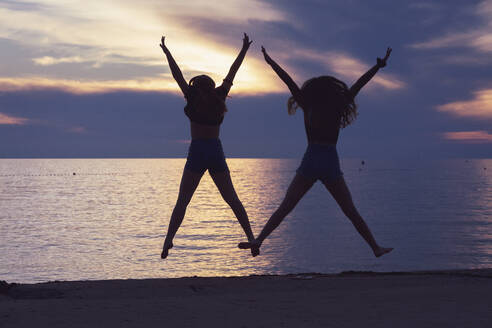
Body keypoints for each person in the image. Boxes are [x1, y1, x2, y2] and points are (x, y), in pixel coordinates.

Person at [239, 46, 394, 258]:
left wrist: (270, 61)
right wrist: (378, 65)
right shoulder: (338, 103)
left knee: (287, 206)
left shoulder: (308, 103)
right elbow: (360, 83)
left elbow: (287, 80)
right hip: (328, 160)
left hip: (312, 158)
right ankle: (375, 247)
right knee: (349, 210)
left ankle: (259, 239)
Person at [159, 33, 259, 259]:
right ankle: (252, 238)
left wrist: (167, 52)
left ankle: (168, 241)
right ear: (211, 87)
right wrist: (244, 49)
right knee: (232, 199)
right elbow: (232, 72)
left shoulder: (193, 98)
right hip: (215, 150)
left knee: (182, 201)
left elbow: (177, 76)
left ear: (197, 87)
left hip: (198, 151)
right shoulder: (219, 97)